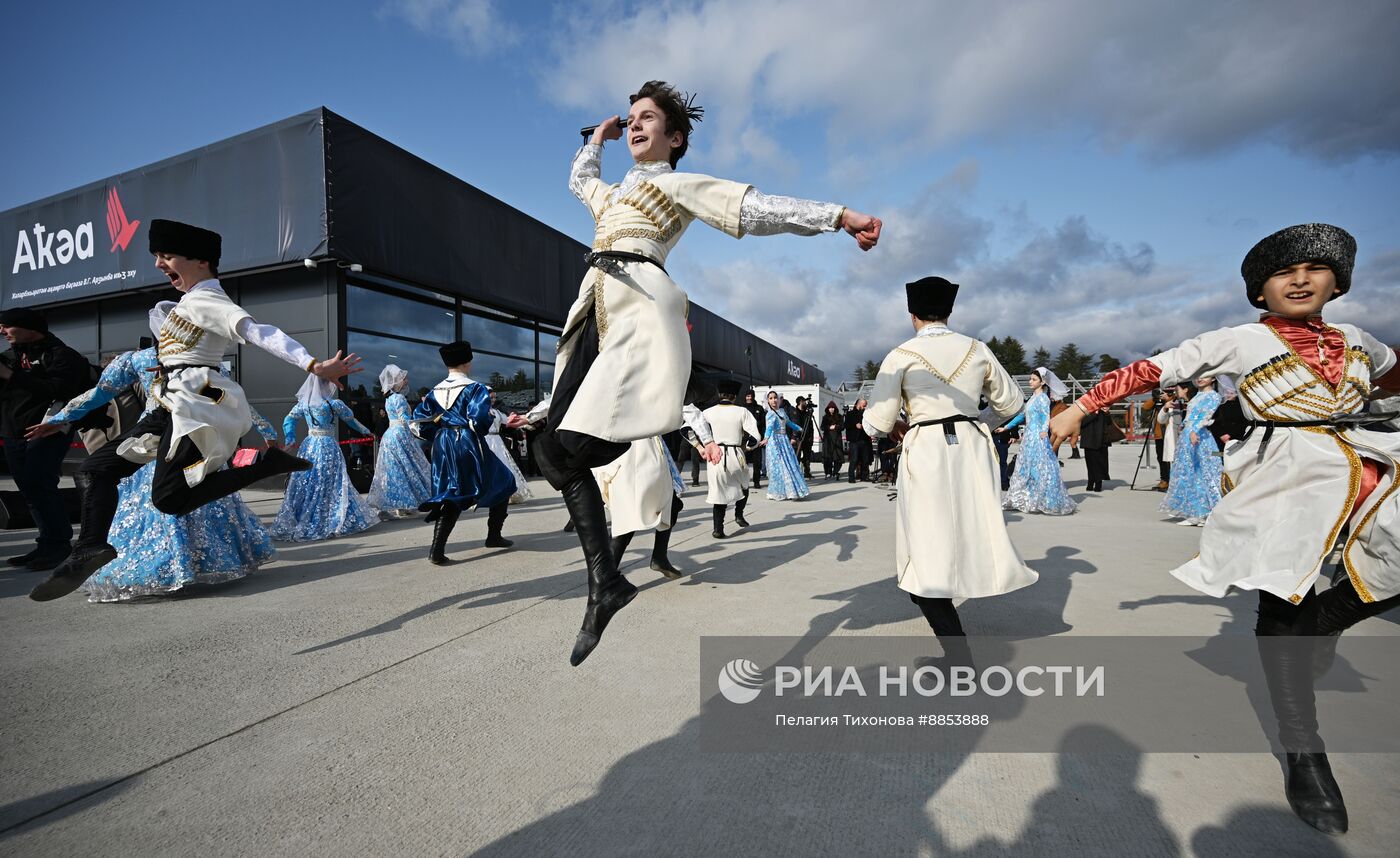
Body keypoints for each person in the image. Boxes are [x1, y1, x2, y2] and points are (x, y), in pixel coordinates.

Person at [1049, 223, 1400, 835]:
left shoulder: (1359, 341)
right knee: (1283, 599)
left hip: (1367, 463)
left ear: (1338, 282)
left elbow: (1396, 377)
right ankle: (1304, 750)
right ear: (1259, 290)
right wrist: (1081, 405)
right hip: (1285, 478)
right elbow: (1154, 369)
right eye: (1283, 272)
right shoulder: (1240, 340)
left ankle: (1325, 622)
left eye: (1315, 269)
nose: (1300, 280)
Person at [535, 79, 881, 666]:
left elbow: (753, 208)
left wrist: (839, 216)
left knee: (573, 447)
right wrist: (597, 140)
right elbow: (579, 181)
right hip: (594, 312)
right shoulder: (611, 197)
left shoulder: (674, 185)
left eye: (647, 118)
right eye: (630, 118)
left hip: (638, 308)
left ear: (675, 138)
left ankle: (611, 574)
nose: (635, 125)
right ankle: (605, 582)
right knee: (549, 450)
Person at [27, 220, 359, 601]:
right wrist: (61, 419)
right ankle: (90, 547)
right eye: (157, 256)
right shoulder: (186, 304)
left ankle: (264, 467)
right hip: (166, 407)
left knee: (166, 498)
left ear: (201, 261)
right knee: (94, 469)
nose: (159, 264)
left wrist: (313, 365)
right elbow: (102, 390)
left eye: (166, 256)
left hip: (190, 407)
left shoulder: (209, 300)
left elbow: (259, 332)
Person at [35, 306, 279, 600]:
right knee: (173, 497)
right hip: (179, 439)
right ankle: (168, 565)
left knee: (160, 497)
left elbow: (99, 394)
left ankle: (145, 560)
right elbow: (233, 401)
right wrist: (60, 418)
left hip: (164, 437)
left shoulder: (174, 362)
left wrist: (60, 418)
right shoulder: (183, 363)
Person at [864, 276, 1035, 652]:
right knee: (972, 528)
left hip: (926, 448)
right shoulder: (977, 348)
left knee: (926, 543)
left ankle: (957, 655)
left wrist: (900, 422)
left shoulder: (901, 354)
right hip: (972, 447)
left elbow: (875, 424)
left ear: (913, 314)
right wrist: (975, 420)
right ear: (949, 311)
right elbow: (1012, 403)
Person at [0, 307, 91, 571]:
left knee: (41, 486)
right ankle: (46, 544)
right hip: (12, 433)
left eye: (6, 326)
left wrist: (12, 376)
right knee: (30, 490)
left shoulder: (62, 355)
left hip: (48, 430)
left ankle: (59, 546)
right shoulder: (9, 357)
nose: (2, 331)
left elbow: (61, 389)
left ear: (29, 327)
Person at [414, 341, 516, 565]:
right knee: (504, 481)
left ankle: (438, 549)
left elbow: (419, 422)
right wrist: (480, 424)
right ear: (467, 361)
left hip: (443, 442)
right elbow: (479, 420)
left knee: (452, 489)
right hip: (466, 441)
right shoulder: (475, 388)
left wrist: (438, 433)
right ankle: (492, 536)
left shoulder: (434, 391)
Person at [270, 379, 379, 542]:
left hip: (309, 446)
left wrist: (290, 439)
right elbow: (350, 420)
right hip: (328, 446)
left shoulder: (305, 404)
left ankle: (305, 515)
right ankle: (330, 515)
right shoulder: (333, 404)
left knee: (308, 480)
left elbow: (289, 420)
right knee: (331, 480)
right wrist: (366, 431)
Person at [1002, 368, 1077, 515]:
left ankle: (1043, 500)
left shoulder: (1043, 398)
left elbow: (1045, 415)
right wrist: (1006, 427)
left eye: (1034, 379)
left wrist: (1043, 431)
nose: (1030, 381)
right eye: (1030, 379)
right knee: (1026, 467)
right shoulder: (1032, 398)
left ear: (1042, 382)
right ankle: (1027, 499)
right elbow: (1022, 416)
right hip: (1029, 437)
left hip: (1037, 437)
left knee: (1040, 467)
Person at [367, 364, 434, 517]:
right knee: (410, 466)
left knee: (393, 470)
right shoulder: (399, 398)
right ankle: (405, 504)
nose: (406, 381)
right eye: (404, 378)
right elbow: (405, 420)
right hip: (401, 434)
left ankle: (396, 504)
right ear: (396, 381)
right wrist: (421, 423)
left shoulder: (389, 399)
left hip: (390, 435)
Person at [702, 380, 763, 539]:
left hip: (716, 455)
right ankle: (739, 514)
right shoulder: (742, 411)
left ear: (719, 394)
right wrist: (748, 447)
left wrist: (702, 446)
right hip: (736, 453)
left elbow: (687, 428)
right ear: (735, 396)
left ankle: (718, 529)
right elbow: (755, 436)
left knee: (719, 493)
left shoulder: (708, 412)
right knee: (744, 486)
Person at [1159, 377, 1223, 525]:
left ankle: (1205, 512)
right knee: (1189, 473)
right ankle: (1196, 512)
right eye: (1199, 376)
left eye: (1205, 376)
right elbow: (1190, 416)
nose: (1201, 379)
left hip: (1200, 437)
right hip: (1187, 436)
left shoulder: (1214, 396)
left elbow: (1206, 415)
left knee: (1203, 472)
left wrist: (1194, 430)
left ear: (1213, 378)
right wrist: (1184, 426)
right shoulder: (1198, 395)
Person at [759, 390, 810, 501]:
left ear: (778, 399)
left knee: (790, 463)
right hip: (774, 442)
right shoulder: (770, 414)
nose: (773, 400)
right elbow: (769, 427)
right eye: (771, 398)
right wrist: (766, 438)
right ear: (768, 401)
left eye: (775, 397)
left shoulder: (782, 411)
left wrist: (798, 428)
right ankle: (778, 491)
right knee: (779, 466)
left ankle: (791, 490)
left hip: (784, 440)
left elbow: (788, 422)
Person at [486, 390, 533, 504]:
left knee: (505, 465)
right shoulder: (477, 410)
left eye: (494, 398)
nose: (493, 400)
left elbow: (507, 421)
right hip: (485, 440)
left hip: (497, 440)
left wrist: (520, 419)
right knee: (486, 467)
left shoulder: (496, 412)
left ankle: (506, 493)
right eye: (491, 398)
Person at [1077, 406, 1118, 492]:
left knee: (1100, 463)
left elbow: (1109, 422)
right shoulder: (1085, 411)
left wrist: (1107, 413)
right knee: (1090, 463)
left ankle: (1098, 483)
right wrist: (1094, 414)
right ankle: (1091, 482)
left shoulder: (1102, 412)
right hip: (1089, 441)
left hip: (1101, 441)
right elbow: (1082, 423)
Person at [742, 389, 767, 488]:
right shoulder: (742, 408)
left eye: (751, 396)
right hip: (744, 441)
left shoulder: (759, 408)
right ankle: (744, 482)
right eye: (747, 396)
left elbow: (763, 425)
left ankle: (756, 482)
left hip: (757, 440)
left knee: (757, 463)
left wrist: (763, 438)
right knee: (743, 463)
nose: (749, 398)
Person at [845, 399, 874, 482]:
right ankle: (851, 477)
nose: (865, 407)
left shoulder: (866, 414)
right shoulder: (850, 414)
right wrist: (855, 425)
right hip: (854, 440)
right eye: (864, 405)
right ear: (859, 404)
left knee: (865, 459)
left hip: (865, 439)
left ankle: (864, 476)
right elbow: (846, 425)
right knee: (854, 459)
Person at [819, 400, 844, 479]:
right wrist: (829, 427)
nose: (831, 409)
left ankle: (835, 472)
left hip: (837, 439)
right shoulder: (825, 417)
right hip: (828, 440)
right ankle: (828, 472)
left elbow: (842, 427)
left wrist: (835, 427)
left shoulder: (840, 417)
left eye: (833, 408)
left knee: (838, 457)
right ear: (828, 409)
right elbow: (822, 427)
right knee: (827, 457)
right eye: (830, 408)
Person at [793, 396, 816, 479]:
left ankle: (807, 472)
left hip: (807, 438)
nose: (806, 403)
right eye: (804, 402)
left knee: (807, 456)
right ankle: (796, 473)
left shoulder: (807, 414)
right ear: (800, 402)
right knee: (797, 456)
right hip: (798, 438)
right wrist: (794, 437)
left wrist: (811, 438)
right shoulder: (794, 413)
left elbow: (811, 427)